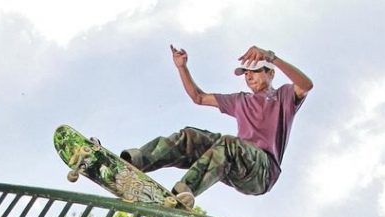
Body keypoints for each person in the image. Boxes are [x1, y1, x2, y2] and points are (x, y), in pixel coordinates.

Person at [120, 45, 312, 208]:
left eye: (255, 70)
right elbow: (199, 97)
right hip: (234, 165)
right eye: (246, 72)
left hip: (263, 172)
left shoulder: (284, 96)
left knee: (229, 143)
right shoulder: (239, 100)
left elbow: (306, 85)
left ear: (270, 73)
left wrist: (272, 56)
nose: (249, 76)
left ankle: (184, 195)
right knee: (191, 136)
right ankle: (136, 162)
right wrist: (182, 67)